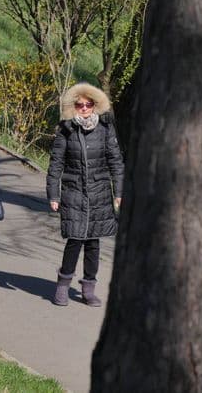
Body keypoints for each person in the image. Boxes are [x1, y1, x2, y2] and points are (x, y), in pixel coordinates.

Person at [46, 82, 124, 307]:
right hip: (73, 191)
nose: (84, 108)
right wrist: (54, 194)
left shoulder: (105, 129)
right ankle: (62, 286)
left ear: (95, 105)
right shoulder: (65, 130)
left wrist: (119, 191)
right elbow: (56, 164)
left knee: (93, 242)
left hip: (100, 192)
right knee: (75, 239)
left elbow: (116, 162)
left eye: (88, 104)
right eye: (79, 105)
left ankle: (88, 289)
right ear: (73, 106)